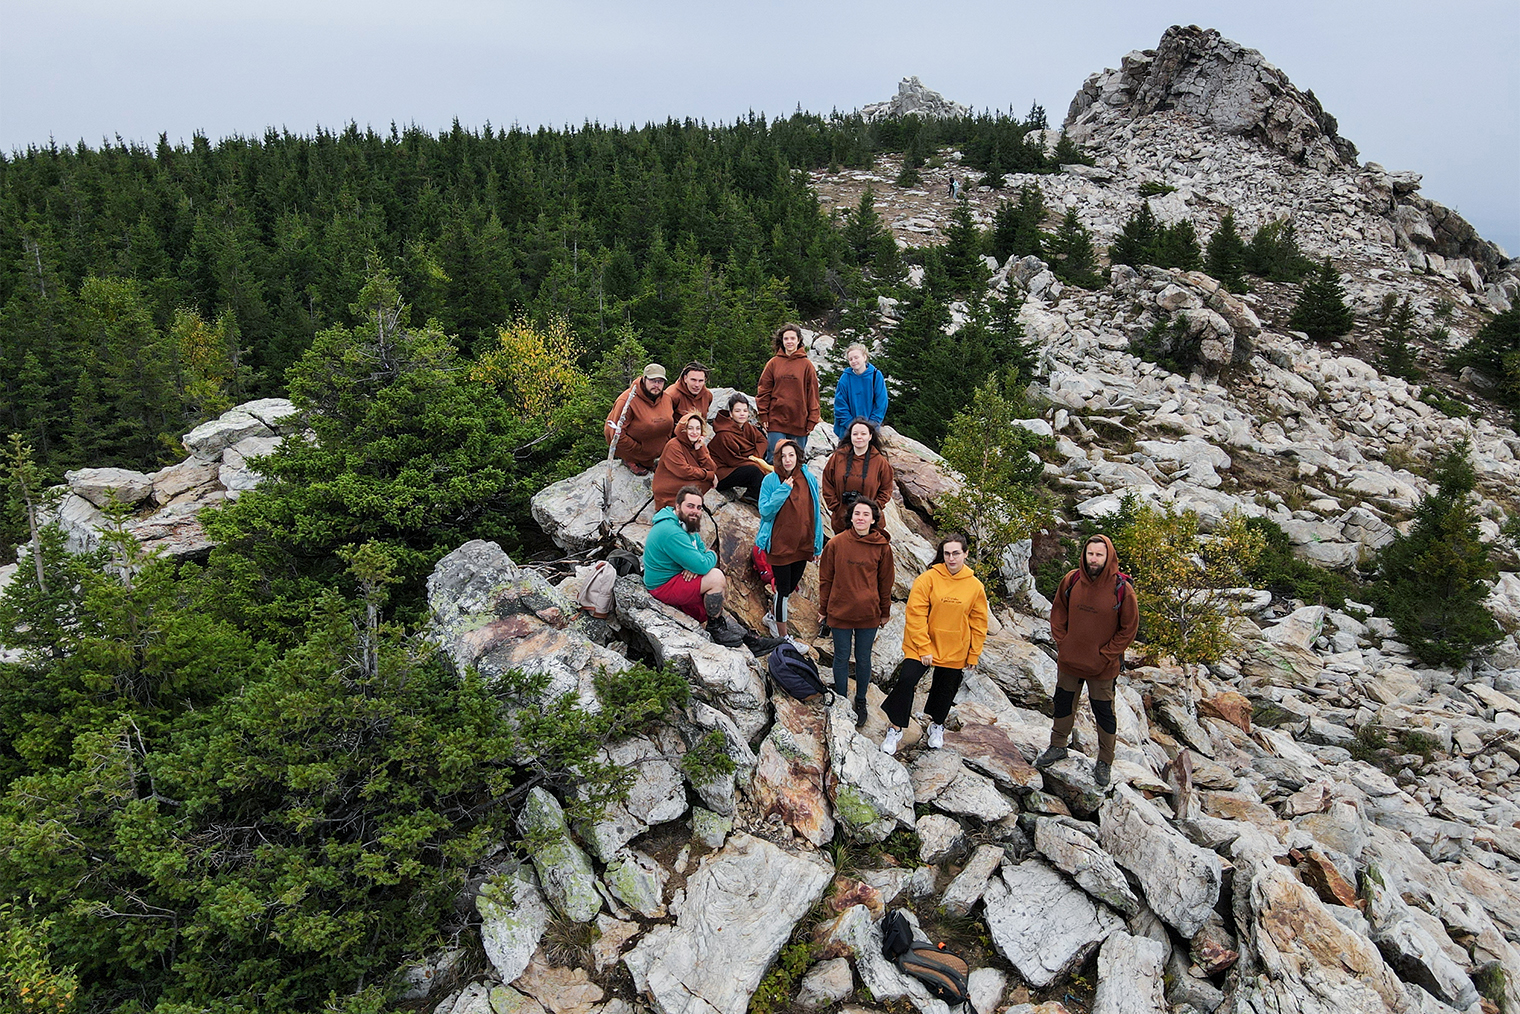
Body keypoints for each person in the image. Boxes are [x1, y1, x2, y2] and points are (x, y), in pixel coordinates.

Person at [1036, 534, 1139, 787]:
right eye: (1090, 553)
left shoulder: (1122, 589)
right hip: (1070, 661)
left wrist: (1105, 655)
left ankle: (1105, 761)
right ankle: (1058, 745)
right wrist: (1063, 641)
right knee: (1062, 702)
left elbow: (1129, 629)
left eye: (1099, 555)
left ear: (1109, 557)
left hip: (1103, 668)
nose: (1093, 559)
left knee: (1103, 712)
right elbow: (1058, 611)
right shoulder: (1072, 580)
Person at [880, 534, 989, 756]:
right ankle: (896, 727)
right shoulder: (927, 579)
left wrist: (973, 654)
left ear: (965, 554)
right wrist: (924, 647)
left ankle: (937, 724)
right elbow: (915, 614)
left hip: (955, 646)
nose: (951, 558)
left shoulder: (975, 586)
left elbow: (979, 622)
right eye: (947, 553)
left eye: (956, 553)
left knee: (946, 688)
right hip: (922, 644)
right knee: (906, 680)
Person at [818, 499, 894, 726]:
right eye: (857, 513)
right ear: (850, 517)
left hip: (868, 612)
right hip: (840, 610)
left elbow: (885, 582)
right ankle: (841, 700)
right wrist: (823, 608)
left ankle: (860, 700)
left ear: (873, 520)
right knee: (841, 657)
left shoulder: (882, 547)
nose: (861, 518)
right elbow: (825, 579)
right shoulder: (836, 543)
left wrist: (885, 611)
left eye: (866, 514)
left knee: (863, 657)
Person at [643, 485, 744, 647]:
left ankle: (714, 621)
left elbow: (700, 550)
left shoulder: (684, 523)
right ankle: (715, 627)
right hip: (662, 586)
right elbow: (704, 563)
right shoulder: (671, 531)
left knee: (707, 574)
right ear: (677, 506)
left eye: (698, 507)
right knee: (716, 577)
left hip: (674, 577)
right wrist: (713, 554)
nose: (695, 511)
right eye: (690, 506)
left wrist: (695, 564)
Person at [756, 439, 824, 639]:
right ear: (777, 458)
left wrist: (817, 546)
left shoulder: (808, 478)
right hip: (779, 545)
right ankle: (783, 637)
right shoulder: (771, 480)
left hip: (802, 543)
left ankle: (771, 616)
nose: (787, 460)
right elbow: (765, 511)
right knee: (783, 591)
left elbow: (815, 513)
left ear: (798, 456)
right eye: (783, 456)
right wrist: (783, 490)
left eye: (791, 455)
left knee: (791, 586)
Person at [756, 323, 820, 462]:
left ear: (798, 340)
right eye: (786, 339)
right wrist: (763, 414)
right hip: (776, 420)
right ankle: (773, 484)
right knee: (775, 458)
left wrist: (812, 420)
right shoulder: (773, 363)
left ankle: (796, 484)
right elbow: (764, 390)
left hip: (800, 422)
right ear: (782, 341)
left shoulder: (807, 365)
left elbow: (813, 394)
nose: (789, 342)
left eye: (792, 338)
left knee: (797, 460)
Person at [822, 418, 895, 536]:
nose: (859, 437)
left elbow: (886, 489)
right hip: (842, 520)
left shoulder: (879, 462)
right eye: (855, 434)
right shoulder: (838, 457)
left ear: (870, 436)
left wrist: (873, 509)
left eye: (863, 434)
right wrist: (836, 507)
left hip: (870, 524)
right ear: (850, 436)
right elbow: (827, 482)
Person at [605, 364, 675, 475]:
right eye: (653, 380)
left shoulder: (666, 399)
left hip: (656, 453)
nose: (656, 385)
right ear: (644, 379)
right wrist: (639, 450)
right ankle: (631, 461)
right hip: (634, 452)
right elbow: (615, 433)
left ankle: (649, 461)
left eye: (660, 381)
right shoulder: (626, 401)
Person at [710, 393, 770, 500]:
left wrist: (756, 457)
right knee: (755, 471)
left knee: (764, 459)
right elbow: (732, 460)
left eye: (745, 411)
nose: (742, 414)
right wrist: (756, 463)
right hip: (722, 473)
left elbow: (762, 440)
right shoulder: (724, 434)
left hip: (740, 462)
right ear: (731, 414)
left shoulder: (747, 427)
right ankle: (751, 497)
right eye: (737, 411)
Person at [652, 412, 717, 509]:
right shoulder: (673, 445)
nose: (694, 432)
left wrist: (700, 450)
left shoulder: (697, 444)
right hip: (668, 485)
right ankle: (676, 505)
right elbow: (684, 471)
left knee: (705, 482)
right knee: (705, 482)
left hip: (684, 480)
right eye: (690, 428)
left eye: (698, 428)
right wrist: (710, 476)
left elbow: (711, 468)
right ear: (683, 429)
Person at [833, 343, 889, 439]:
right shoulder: (845, 378)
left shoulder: (876, 376)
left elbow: (881, 403)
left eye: (856, 357)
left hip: (870, 430)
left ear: (864, 357)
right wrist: (851, 426)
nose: (854, 361)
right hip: (847, 430)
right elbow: (840, 405)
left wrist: (871, 425)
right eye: (850, 359)